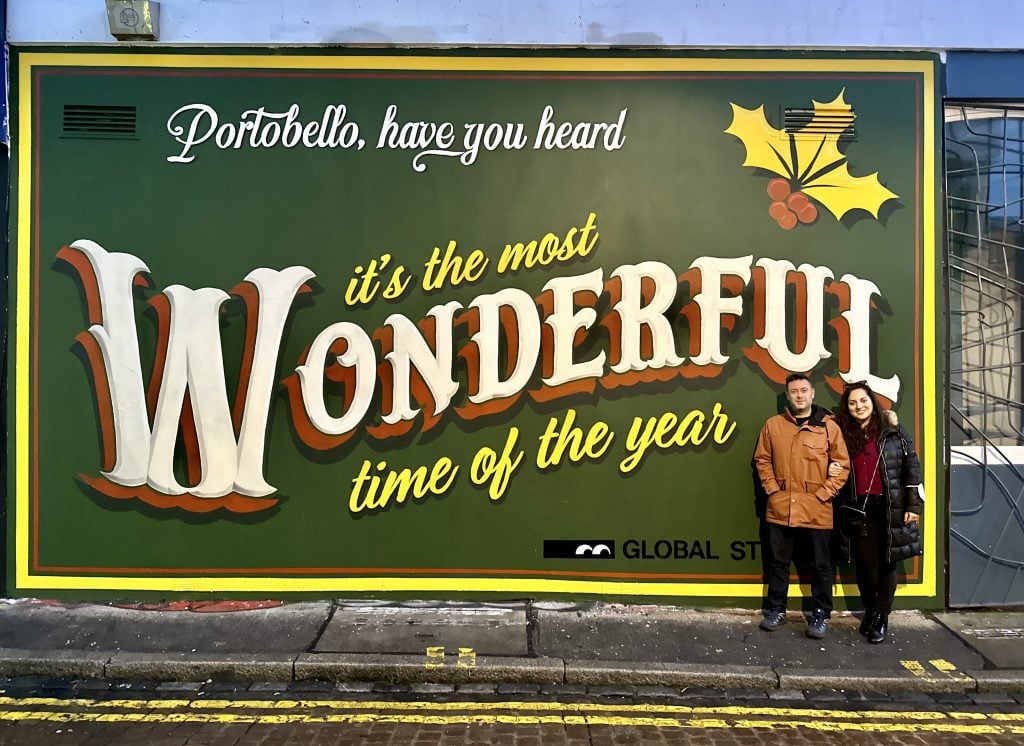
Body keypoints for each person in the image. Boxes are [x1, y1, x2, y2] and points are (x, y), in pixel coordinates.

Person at [753, 372, 850, 638]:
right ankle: (776, 609)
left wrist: (824, 494)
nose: (799, 395)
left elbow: (842, 466)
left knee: (821, 565)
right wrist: (772, 489)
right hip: (781, 507)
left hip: (817, 508)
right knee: (777, 562)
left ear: (812, 394)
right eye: (794, 391)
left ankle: (820, 613)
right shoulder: (773, 425)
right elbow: (762, 460)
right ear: (788, 395)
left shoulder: (829, 427)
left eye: (803, 390)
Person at [829, 382, 923, 644]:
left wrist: (913, 507)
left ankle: (881, 617)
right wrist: (832, 469)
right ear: (847, 408)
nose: (859, 406)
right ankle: (871, 608)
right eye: (853, 402)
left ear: (872, 402)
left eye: (863, 401)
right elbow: (832, 461)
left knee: (887, 563)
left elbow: (911, 469)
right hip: (859, 507)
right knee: (866, 566)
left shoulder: (892, 431)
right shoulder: (842, 433)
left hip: (890, 505)